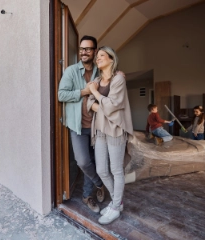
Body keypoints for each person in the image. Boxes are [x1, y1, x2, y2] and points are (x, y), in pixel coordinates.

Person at [58, 35, 105, 213]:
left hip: (96, 126)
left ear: (94, 51)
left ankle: (87, 196)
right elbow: (61, 95)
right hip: (78, 127)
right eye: (81, 49)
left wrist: (119, 74)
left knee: (94, 161)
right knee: (83, 162)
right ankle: (99, 183)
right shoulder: (71, 71)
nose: (84, 52)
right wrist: (84, 91)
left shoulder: (99, 72)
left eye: (88, 49)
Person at [87, 46, 133, 225]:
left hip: (115, 129)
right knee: (101, 170)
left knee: (116, 170)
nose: (97, 58)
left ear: (111, 60)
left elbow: (114, 104)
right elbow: (89, 103)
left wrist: (96, 93)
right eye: (97, 56)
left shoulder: (119, 78)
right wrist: (98, 103)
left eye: (101, 56)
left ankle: (115, 207)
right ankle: (117, 202)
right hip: (99, 129)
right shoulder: (97, 79)